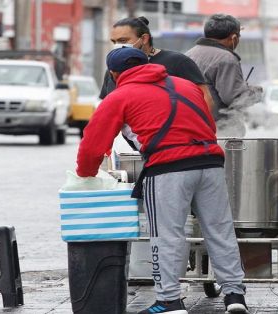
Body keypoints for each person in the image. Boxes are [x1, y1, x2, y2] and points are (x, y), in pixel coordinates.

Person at [76, 47, 248, 314]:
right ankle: (235, 296)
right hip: (210, 162)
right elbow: (207, 125)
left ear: (113, 73)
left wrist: (85, 175)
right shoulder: (187, 86)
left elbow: (92, 145)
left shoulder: (118, 96)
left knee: (166, 235)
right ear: (147, 62)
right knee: (220, 231)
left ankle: (169, 300)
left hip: (168, 168)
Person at [99, 16, 214, 111]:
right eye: (114, 42)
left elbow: (205, 99)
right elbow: (106, 109)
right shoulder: (114, 70)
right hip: (136, 137)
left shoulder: (178, 62)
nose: (117, 46)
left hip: (176, 136)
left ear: (144, 39)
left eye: (123, 41)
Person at [185, 14, 262, 137]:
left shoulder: (189, 54)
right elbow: (235, 98)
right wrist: (255, 92)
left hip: (192, 126)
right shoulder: (226, 58)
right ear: (234, 38)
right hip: (219, 131)